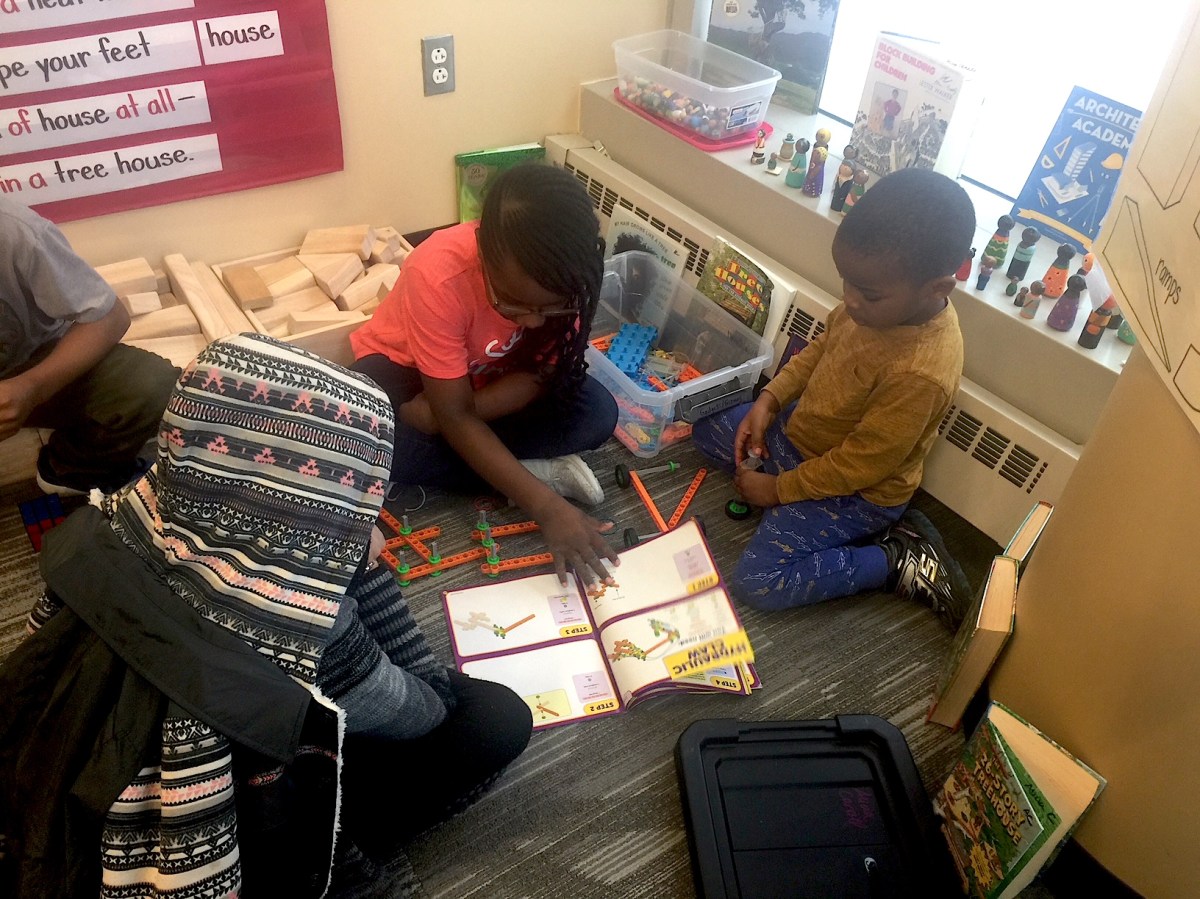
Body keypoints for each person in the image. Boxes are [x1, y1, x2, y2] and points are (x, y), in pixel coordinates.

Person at [0, 333, 533, 898]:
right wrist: (354, 564)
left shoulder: (101, 526)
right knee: (495, 719)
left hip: (85, 776)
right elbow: (425, 709)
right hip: (244, 816)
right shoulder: (302, 636)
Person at [692, 168, 976, 630]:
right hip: (798, 441)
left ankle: (895, 558)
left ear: (937, 289)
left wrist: (779, 490)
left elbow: (861, 465)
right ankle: (786, 497)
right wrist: (769, 400)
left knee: (758, 581)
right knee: (707, 427)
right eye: (846, 282)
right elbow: (822, 347)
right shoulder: (870, 303)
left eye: (868, 294)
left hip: (857, 491)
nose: (850, 300)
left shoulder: (921, 372)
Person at [351, 163, 620, 585]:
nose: (532, 322)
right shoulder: (437, 272)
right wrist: (546, 506)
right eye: (513, 303)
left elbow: (540, 376)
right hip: (408, 372)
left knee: (599, 414)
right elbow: (454, 414)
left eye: (549, 308)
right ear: (483, 251)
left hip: (486, 386)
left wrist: (447, 416)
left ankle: (502, 471)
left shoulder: (570, 274)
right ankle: (534, 475)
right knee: (365, 436)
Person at [0, 195, 179, 496]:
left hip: (27, 366)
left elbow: (108, 317)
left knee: (148, 384)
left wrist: (30, 388)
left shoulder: (14, 231)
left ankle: (69, 471)